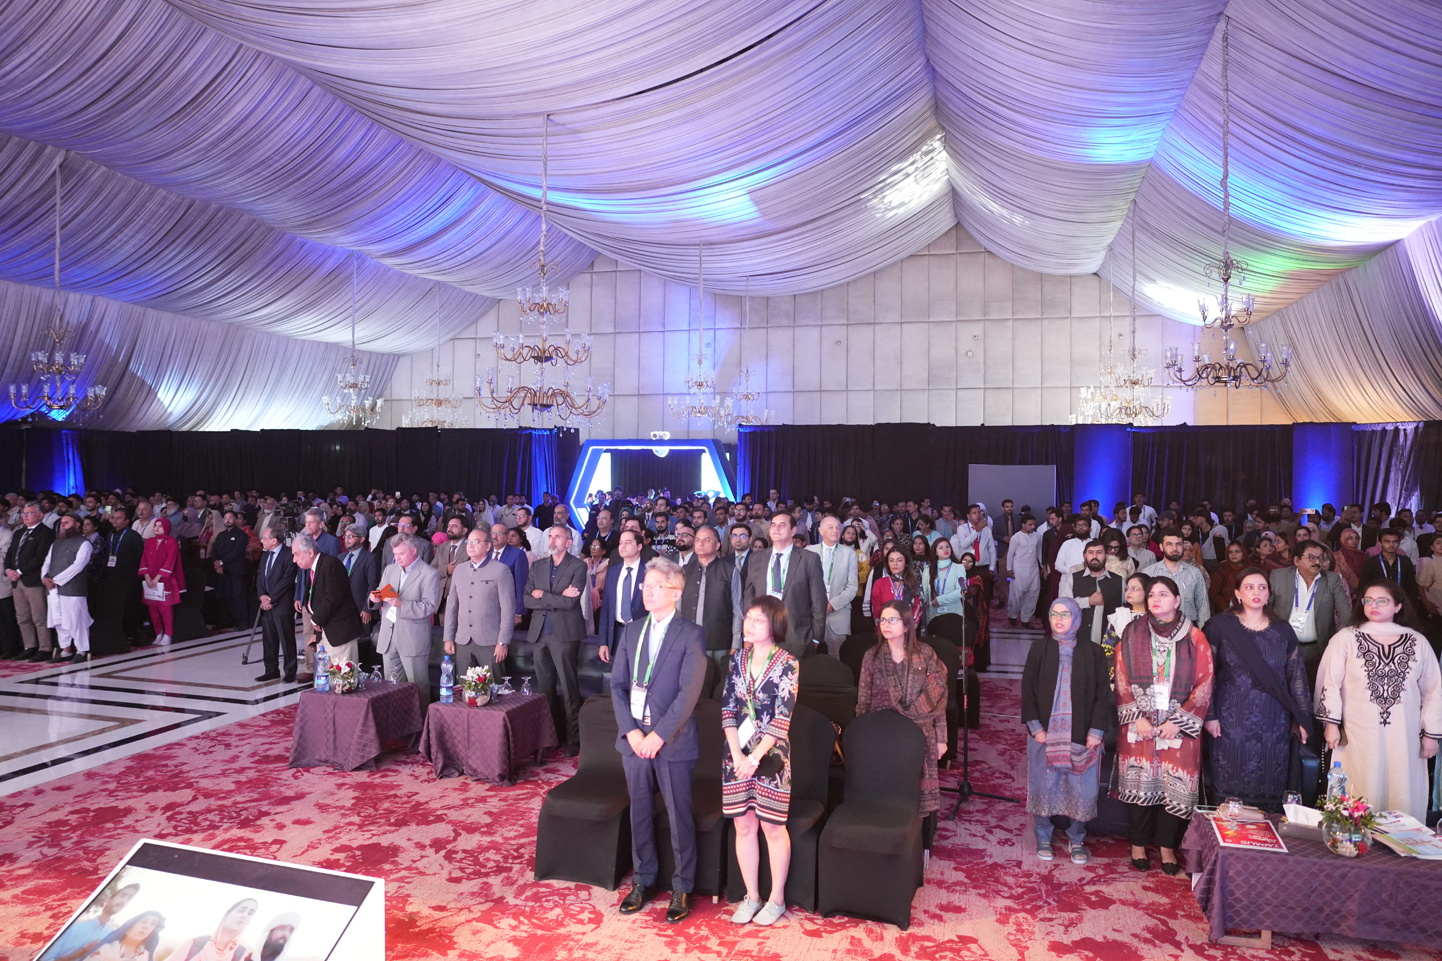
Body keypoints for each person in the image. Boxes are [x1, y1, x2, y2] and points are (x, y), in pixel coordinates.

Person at [611, 557, 708, 924]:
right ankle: (644, 880)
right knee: (639, 812)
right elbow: (617, 686)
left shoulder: (691, 633)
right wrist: (632, 731)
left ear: (675, 593)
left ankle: (683, 886)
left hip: (673, 740)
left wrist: (658, 735)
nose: (647, 591)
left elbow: (689, 693)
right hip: (635, 739)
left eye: (655, 586)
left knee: (678, 814)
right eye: (645, 585)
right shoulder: (632, 630)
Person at [1315, 582, 1442, 821]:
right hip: (1357, 735)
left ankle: (1401, 841)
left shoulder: (1417, 642)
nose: (1374, 605)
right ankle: (1351, 837)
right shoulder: (1346, 638)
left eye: (1382, 600)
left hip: (1404, 737)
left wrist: (1431, 735)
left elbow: (1434, 691)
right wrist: (1331, 724)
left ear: (1398, 606)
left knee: (1402, 791)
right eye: (1368, 600)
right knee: (1358, 789)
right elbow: (1329, 683)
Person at [1114, 576, 1213, 874]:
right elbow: (1121, 676)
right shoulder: (1131, 633)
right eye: (1152, 595)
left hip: (1179, 728)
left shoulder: (1195, 636)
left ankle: (1168, 846)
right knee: (1140, 782)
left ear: (1177, 600)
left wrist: (1178, 721)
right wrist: (1137, 717)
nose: (1156, 599)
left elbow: (1205, 681)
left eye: (1163, 594)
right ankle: (1138, 843)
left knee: (1176, 786)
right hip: (1139, 725)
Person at [1203, 569, 1313, 811]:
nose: (1256, 592)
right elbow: (1206, 674)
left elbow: (1296, 676)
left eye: (1262, 587)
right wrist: (1209, 715)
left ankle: (1266, 832)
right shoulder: (1219, 626)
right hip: (1230, 720)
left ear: (1268, 595)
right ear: (1237, 593)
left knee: (1269, 784)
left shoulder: (1283, 630)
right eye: (1249, 587)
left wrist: (1302, 718)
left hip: (1274, 721)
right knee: (1230, 784)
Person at [723, 595, 800, 926]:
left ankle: (776, 899)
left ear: (774, 625)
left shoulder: (788, 663)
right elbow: (728, 709)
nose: (750, 624)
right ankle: (751, 895)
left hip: (771, 757)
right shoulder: (736, 659)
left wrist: (753, 757)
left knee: (771, 826)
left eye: (758, 619)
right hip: (736, 756)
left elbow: (782, 719)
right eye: (748, 618)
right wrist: (737, 754)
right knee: (743, 824)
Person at [1022, 597, 1111, 864]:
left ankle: (1076, 838)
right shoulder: (1039, 648)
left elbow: (1102, 695)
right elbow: (1028, 690)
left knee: (1081, 788)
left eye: (1065, 614)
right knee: (1044, 784)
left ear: (1077, 619)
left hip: (1082, 733)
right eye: (1054, 614)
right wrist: (1035, 727)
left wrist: (1096, 731)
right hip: (1045, 734)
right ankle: (1043, 835)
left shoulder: (1093, 652)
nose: (1058, 619)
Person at [856, 599, 948, 850]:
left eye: (893, 620)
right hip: (882, 735)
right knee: (886, 792)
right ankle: (885, 843)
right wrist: (861, 738)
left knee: (916, 794)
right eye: (883, 620)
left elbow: (938, 700)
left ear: (907, 625)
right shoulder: (872, 656)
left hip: (919, 735)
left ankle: (912, 848)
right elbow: (864, 701)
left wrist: (941, 739)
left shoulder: (925, 654)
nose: (886, 624)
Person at [524, 525, 589, 754]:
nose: (552, 540)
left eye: (557, 537)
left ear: (568, 542)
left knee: (569, 688)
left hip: (565, 634)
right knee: (545, 690)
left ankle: (574, 739)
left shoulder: (578, 566)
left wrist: (543, 595)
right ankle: (548, 738)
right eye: (550, 536)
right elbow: (527, 600)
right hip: (539, 633)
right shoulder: (538, 565)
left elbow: (570, 602)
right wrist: (557, 596)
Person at [742, 511, 827, 657]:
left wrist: (815, 638)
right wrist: (747, 634)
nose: (776, 528)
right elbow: (749, 597)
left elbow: (818, 601)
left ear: (793, 531)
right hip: (761, 635)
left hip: (797, 636)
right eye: (773, 525)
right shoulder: (755, 558)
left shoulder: (809, 559)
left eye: (782, 525)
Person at [371, 532, 442, 701]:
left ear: (414, 551)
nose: (397, 558)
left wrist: (402, 604)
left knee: (418, 686)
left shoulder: (429, 573)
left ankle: (422, 717)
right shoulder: (390, 569)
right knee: (391, 687)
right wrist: (374, 598)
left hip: (412, 638)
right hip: (389, 636)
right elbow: (380, 592)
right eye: (395, 554)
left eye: (401, 554)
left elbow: (430, 606)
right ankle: (397, 718)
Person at [442, 526, 516, 674]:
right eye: (468, 542)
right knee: (464, 684)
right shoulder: (460, 569)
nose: (470, 545)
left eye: (475, 542)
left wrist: (503, 642)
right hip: (463, 640)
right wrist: (448, 637)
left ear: (488, 546)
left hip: (490, 642)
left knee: (493, 684)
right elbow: (452, 606)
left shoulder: (501, 570)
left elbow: (508, 609)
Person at [293, 532, 364, 668]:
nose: (294, 560)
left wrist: (315, 620)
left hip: (339, 633)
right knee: (326, 676)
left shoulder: (331, 564)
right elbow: (316, 601)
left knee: (342, 676)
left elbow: (333, 598)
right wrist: (316, 632)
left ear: (310, 552)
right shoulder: (313, 568)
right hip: (325, 632)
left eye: (296, 554)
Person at [5, 501, 57, 661]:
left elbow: (40, 557)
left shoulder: (45, 532)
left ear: (40, 515)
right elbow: (10, 553)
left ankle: (45, 648)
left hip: (33, 580)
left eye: (29, 513)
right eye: (24, 513)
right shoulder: (19, 532)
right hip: (17, 581)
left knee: (39, 616)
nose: (25, 516)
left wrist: (20, 571)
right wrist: (8, 570)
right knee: (22, 617)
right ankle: (30, 646)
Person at [39, 882, 140, 961]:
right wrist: (83, 951)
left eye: (129, 899)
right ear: (109, 900)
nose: (124, 901)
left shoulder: (113, 936)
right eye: (123, 895)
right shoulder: (74, 924)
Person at [41, 515, 94, 662]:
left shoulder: (84, 544)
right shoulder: (56, 543)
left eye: (66, 522)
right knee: (59, 620)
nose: (62, 525)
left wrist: (56, 581)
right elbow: (47, 562)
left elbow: (78, 566)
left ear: (77, 525)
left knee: (76, 620)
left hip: (72, 589)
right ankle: (66, 650)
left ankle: (81, 650)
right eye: (61, 523)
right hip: (53, 589)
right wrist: (44, 578)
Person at [680, 526, 734, 668]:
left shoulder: (729, 570)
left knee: (718, 677)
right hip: (689, 640)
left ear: (717, 545)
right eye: (698, 540)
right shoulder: (685, 571)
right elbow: (677, 608)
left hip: (719, 641)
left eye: (706, 540)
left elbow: (737, 609)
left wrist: (736, 643)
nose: (701, 543)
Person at [807, 516, 857, 660]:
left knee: (836, 659)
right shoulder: (809, 551)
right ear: (821, 531)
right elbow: (801, 584)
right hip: (811, 614)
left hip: (838, 613)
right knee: (808, 658)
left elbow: (852, 587)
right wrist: (817, 605)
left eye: (837, 527)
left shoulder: (849, 554)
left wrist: (831, 605)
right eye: (830, 527)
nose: (835, 530)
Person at [255, 525, 299, 682]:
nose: (261, 541)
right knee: (269, 639)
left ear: (274, 540)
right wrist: (262, 596)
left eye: (264, 538)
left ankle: (290, 672)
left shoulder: (289, 554)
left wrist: (271, 598)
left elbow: (287, 580)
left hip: (282, 603)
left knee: (286, 638)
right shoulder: (265, 555)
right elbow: (260, 576)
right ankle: (271, 670)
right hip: (266, 603)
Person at [1059, 540, 1123, 647]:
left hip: (1109, 643)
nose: (1095, 556)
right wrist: (1088, 601)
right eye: (1090, 552)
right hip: (1078, 642)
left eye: (1099, 552)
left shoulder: (1118, 580)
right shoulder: (1074, 578)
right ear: (1085, 555)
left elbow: (1124, 610)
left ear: (1106, 555)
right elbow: (1063, 607)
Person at [1141, 533, 1210, 628]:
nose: (1174, 548)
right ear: (1161, 547)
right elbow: (1142, 605)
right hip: (1157, 628)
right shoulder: (1149, 573)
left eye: (1178, 544)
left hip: (1189, 628)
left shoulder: (1195, 573)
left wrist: (1203, 631)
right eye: (1169, 544)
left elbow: (1203, 606)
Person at [137, 517, 184, 646]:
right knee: (152, 609)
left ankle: (168, 634)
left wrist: (157, 578)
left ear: (167, 528)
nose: (157, 528)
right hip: (149, 581)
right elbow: (144, 559)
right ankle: (159, 633)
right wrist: (147, 576)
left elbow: (170, 561)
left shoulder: (171, 542)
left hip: (165, 580)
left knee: (165, 609)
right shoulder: (150, 541)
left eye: (160, 526)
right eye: (156, 525)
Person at [162, 898, 256, 961]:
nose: (244, 916)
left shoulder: (241, 954)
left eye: (250, 913)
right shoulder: (195, 944)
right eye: (241, 910)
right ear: (227, 914)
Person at [1102, 573, 1150, 679]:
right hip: (1122, 674)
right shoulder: (1118, 616)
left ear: (1147, 591)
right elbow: (1107, 648)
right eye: (1127, 588)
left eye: (1134, 588)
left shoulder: (1156, 617)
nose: (1129, 592)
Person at [340, 522, 381, 645]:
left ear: (362, 539)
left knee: (362, 644)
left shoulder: (370, 558)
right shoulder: (340, 557)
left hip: (361, 609)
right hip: (342, 609)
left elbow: (373, 585)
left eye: (351, 536)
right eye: (345, 536)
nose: (347, 539)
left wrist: (368, 608)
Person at [209, 511, 249, 630]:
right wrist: (216, 563)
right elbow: (214, 550)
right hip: (222, 571)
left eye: (230, 518)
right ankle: (226, 621)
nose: (227, 520)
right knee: (223, 596)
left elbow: (237, 552)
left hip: (236, 571)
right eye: (225, 518)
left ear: (235, 520)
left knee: (237, 596)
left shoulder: (241, 535)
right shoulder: (221, 535)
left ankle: (242, 622)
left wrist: (222, 562)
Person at [488, 520, 530, 625]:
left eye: (498, 533)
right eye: (492, 533)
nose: (494, 536)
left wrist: (519, 613)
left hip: (507, 608)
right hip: (487, 607)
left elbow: (521, 585)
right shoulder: (486, 552)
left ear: (507, 537)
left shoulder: (517, 554)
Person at [868, 545, 923, 626]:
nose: (895, 564)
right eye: (891, 560)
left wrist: (905, 627)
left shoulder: (915, 584)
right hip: (886, 628)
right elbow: (877, 610)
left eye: (899, 560)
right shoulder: (879, 583)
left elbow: (918, 610)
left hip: (908, 628)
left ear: (906, 562)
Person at [1007, 513, 1043, 628]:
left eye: (1034, 524)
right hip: (1019, 568)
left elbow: (1039, 552)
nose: (1033, 527)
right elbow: (1010, 554)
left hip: (1034, 568)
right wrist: (1009, 569)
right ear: (1023, 524)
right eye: (1030, 524)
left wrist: (1042, 566)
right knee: (1017, 595)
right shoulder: (1016, 538)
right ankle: (1012, 615)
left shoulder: (1037, 536)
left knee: (1033, 593)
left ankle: (1026, 619)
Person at [82, 911, 164, 961]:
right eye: (144, 921)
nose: (146, 926)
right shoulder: (106, 949)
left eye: (153, 924)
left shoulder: (145, 957)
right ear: (127, 928)